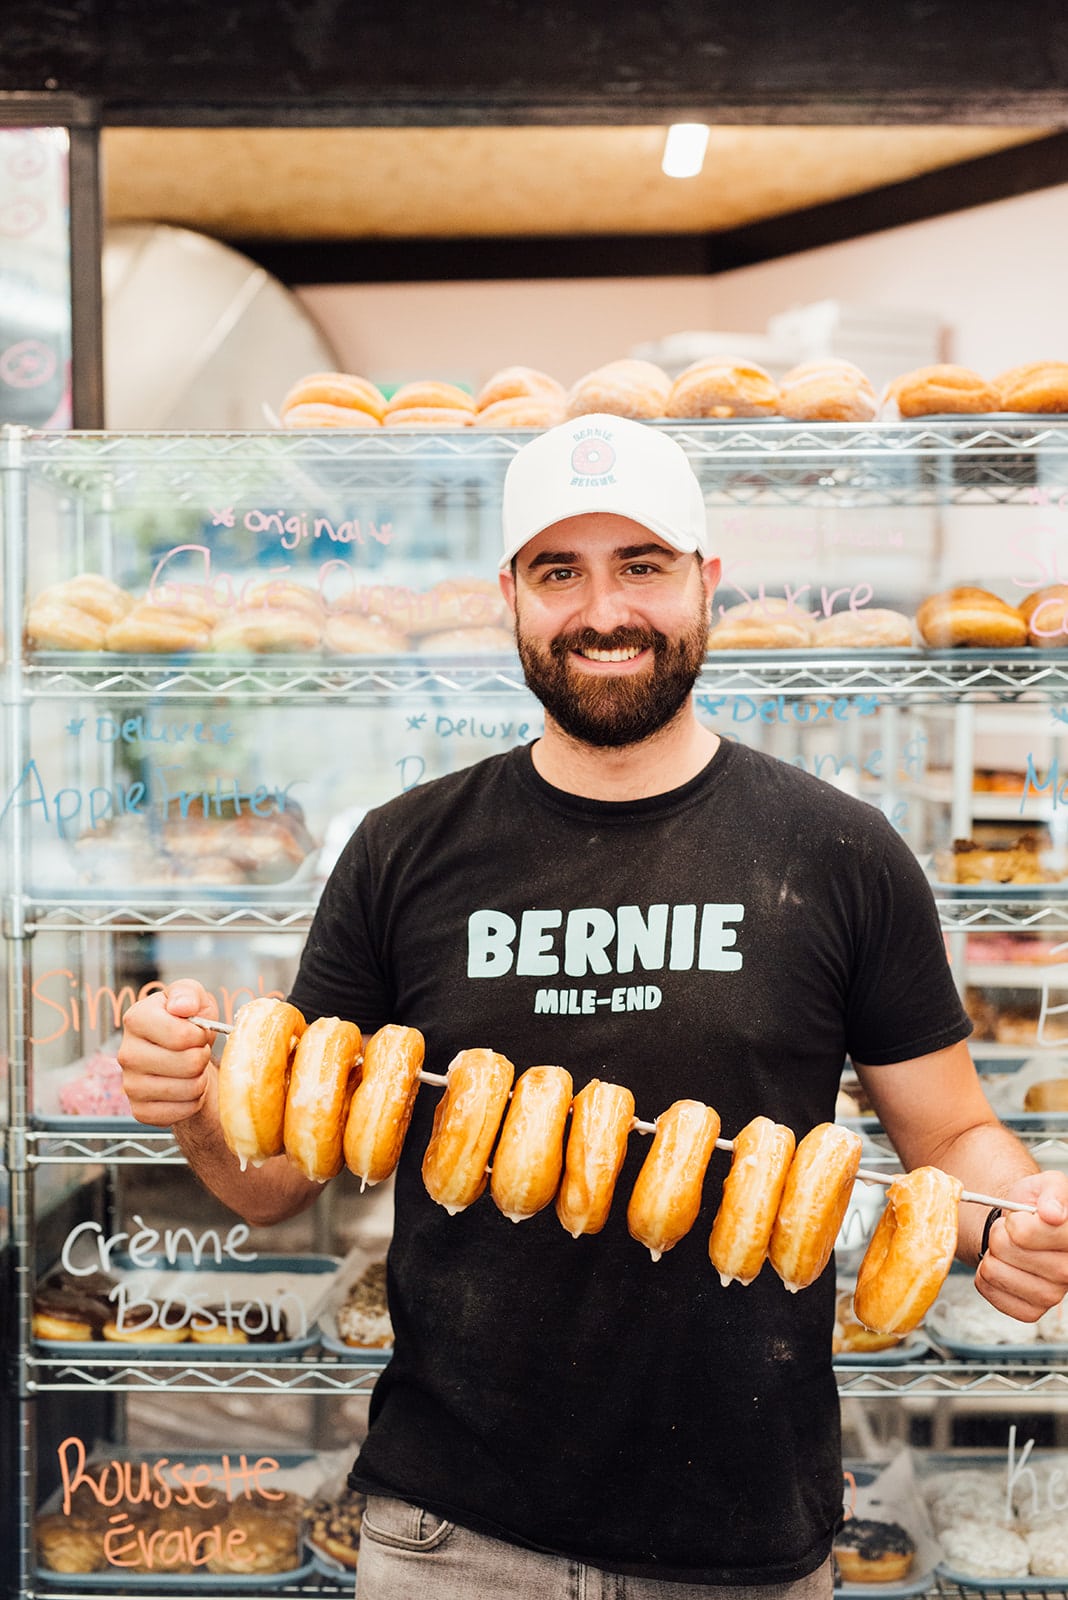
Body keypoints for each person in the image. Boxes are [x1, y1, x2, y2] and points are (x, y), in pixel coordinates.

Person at [119, 412, 1068, 1598]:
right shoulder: (402, 853)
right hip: (447, 1537)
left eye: (644, 566)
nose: (604, 610)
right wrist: (195, 1106)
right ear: (509, 596)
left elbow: (948, 1144)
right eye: (561, 571)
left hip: (744, 1536)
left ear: (706, 583)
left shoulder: (841, 852)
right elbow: (269, 1181)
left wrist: (1013, 1218)